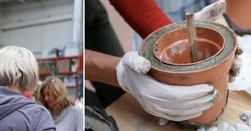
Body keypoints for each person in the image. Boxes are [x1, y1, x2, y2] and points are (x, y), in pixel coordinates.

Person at [85, 0, 242, 124]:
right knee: (98, 115)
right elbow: (63, 62)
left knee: (121, 97)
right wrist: (119, 73)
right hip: (63, 56)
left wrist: (174, 37)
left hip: (87, 9)